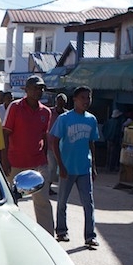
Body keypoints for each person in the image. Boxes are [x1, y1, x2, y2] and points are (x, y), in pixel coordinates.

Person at [3, 75, 54, 235]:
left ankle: (48, 237)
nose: (38, 91)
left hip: (38, 164)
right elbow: (5, 134)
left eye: (41, 88)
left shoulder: (45, 112)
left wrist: (44, 159)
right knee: (11, 201)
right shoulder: (15, 107)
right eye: (35, 88)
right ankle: (8, 233)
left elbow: (44, 137)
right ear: (26, 90)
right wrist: (4, 161)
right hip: (15, 162)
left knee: (42, 202)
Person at [51, 86, 101, 247]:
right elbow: (54, 141)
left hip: (84, 168)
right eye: (83, 98)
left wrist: (93, 165)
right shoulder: (64, 119)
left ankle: (90, 236)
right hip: (67, 168)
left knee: (88, 203)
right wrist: (60, 165)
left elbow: (91, 142)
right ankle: (61, 231)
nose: (86, 101)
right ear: (75, 100)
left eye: (88, 98)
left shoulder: (91, 119)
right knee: (62, 202)